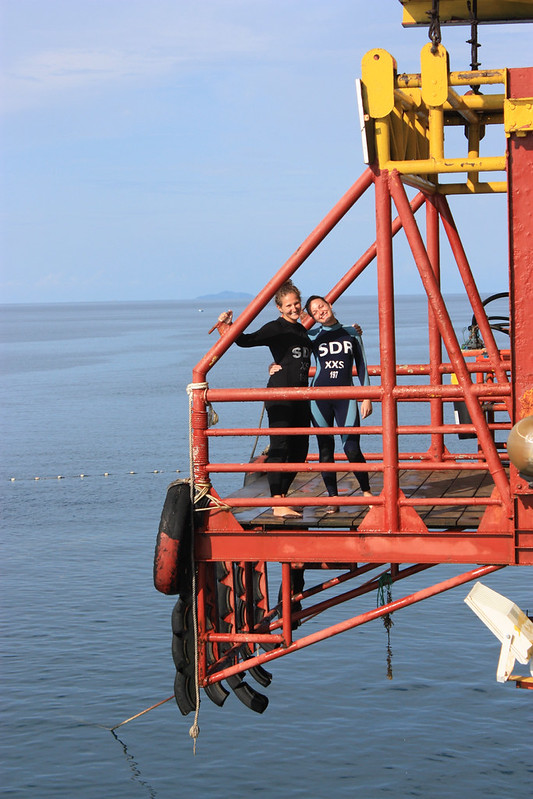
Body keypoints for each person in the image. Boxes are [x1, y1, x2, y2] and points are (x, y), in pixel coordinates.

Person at [216, 280, 311, 517]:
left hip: (300, 396)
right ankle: (277, 501)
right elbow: (246, 340)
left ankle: (283, 496)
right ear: (279, 307)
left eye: (296, 303)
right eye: (288, 305)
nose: (294, 308)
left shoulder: (301, 329)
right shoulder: (276, 327)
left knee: (300, 450)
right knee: (280, 446)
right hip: (279, 394)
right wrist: (228, 325)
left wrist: (351, 333)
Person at [305, 295, 373, 513]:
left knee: (352, 448)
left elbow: (362, 365)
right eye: (315, 312)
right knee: (326, 450)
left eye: (322, 307)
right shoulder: (311, 335)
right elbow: (293, 357)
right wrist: (273, 365)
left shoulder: (352, 332)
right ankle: (333, 499)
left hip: (346, 396)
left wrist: (366, 396)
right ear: (313, 318)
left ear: (330, 305)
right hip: (319, 397)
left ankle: (367, 493)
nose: (320, 312)